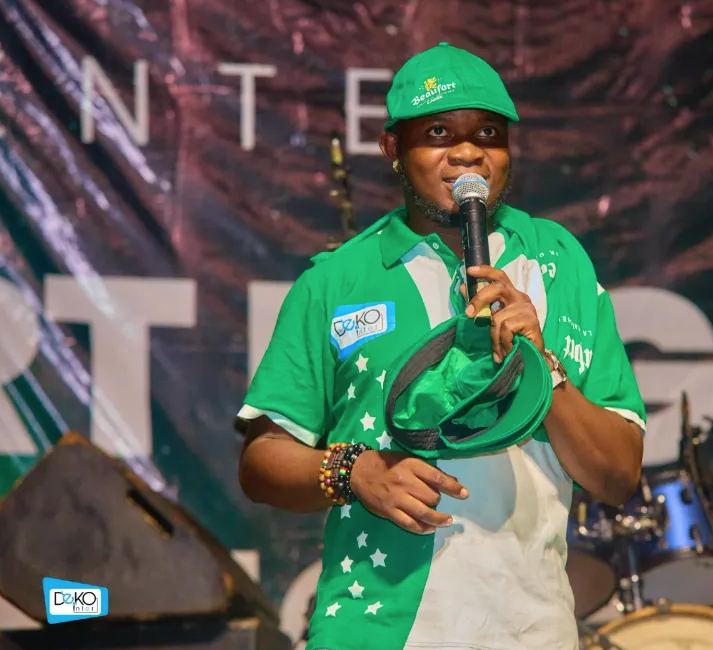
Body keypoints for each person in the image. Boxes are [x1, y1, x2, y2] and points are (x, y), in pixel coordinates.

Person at [237, 42, 646, 650]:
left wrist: (543, 367)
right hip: (375, 631)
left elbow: (617, 476)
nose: (467, 151)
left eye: (487, 133)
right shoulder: (336, 281)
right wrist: (355, 470)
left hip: (531, 633)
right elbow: (261, 462)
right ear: (392, 150)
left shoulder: (558, 263)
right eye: (437, 132)